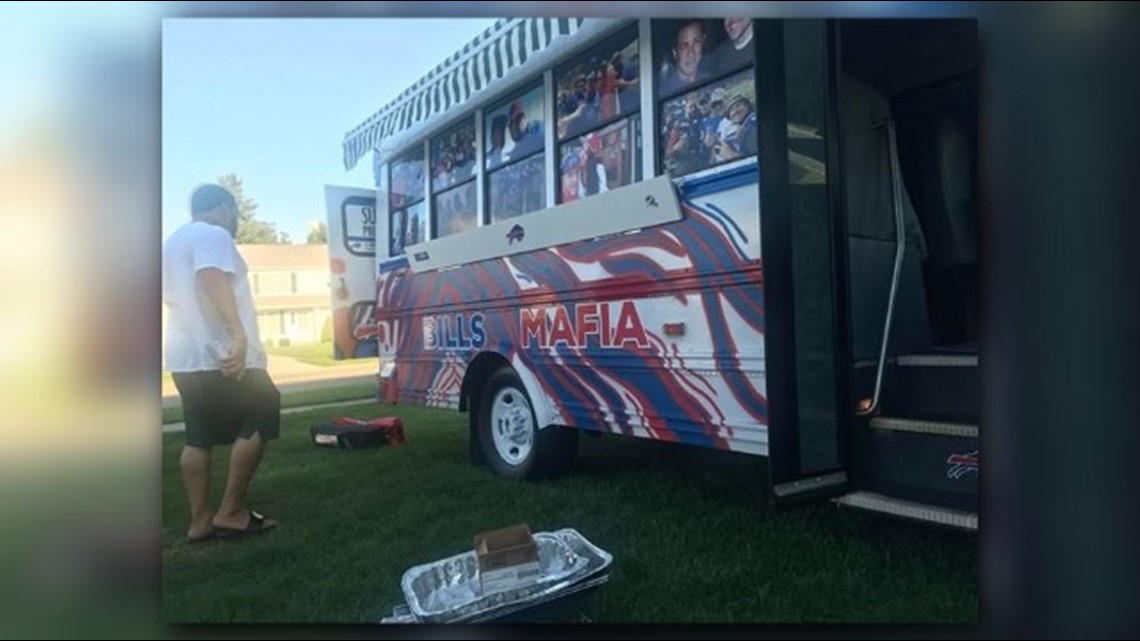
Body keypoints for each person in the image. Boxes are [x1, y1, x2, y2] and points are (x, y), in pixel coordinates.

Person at [163, 183, 280, 543]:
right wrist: (238, 335)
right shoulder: (213, 234)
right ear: (225, 208)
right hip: (224, 352)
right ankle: (230, 511)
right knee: (264, 406)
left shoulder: (171, 244)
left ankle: (199, 521)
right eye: (236, 213)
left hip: (185, 355)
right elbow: (211, 278)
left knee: (198, 436)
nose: (236, 219)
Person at [660, 20, 710, 96]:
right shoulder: (666, 93)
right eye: (684, 46)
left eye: (697, 41)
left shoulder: (710, 78)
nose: (691, 53)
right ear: (675, 53)